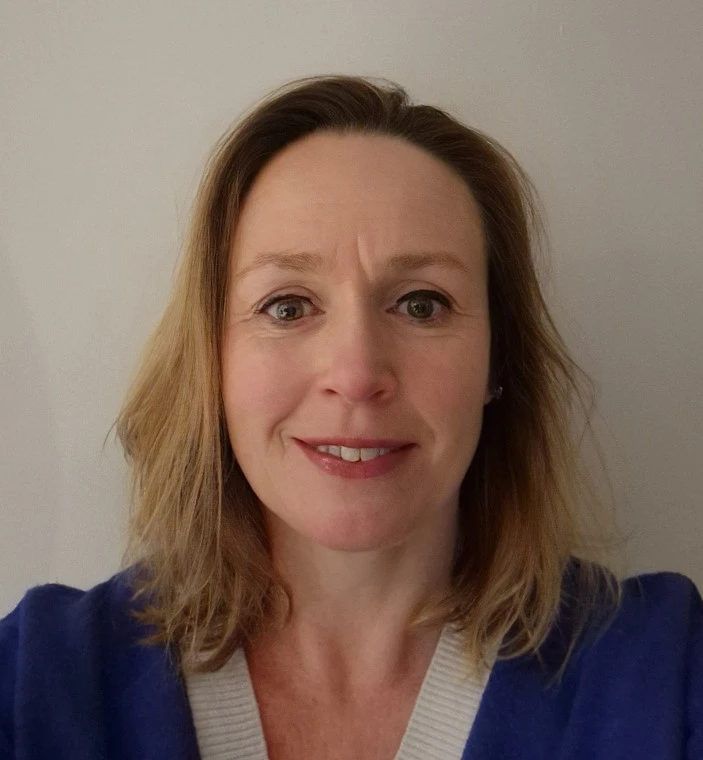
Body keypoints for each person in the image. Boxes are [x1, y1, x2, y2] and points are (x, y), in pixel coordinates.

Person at [0, 75, 701, 760]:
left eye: (422, 304)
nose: (357, 374)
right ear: (211, 360)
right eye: (287, 306)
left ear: (497, 362)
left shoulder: (663, 677)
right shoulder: (38, 684)